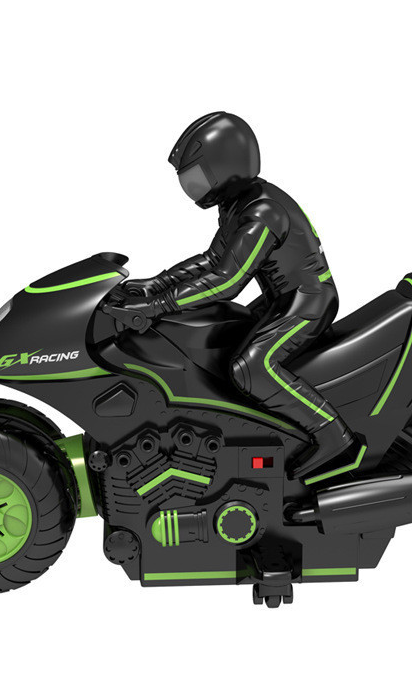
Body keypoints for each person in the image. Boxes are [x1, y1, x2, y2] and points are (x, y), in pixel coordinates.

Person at [121, 112, 358, 479]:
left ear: (224, 166)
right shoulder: (238, 204)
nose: (192, 187)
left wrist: (158, 306)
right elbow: (212, 259)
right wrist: (155, 283)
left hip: (309, 301)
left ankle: (332, 433)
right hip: (282, 297)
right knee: (224, 338)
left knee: (250, 367)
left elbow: (226, 281)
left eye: (197, 176)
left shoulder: (263, 213)